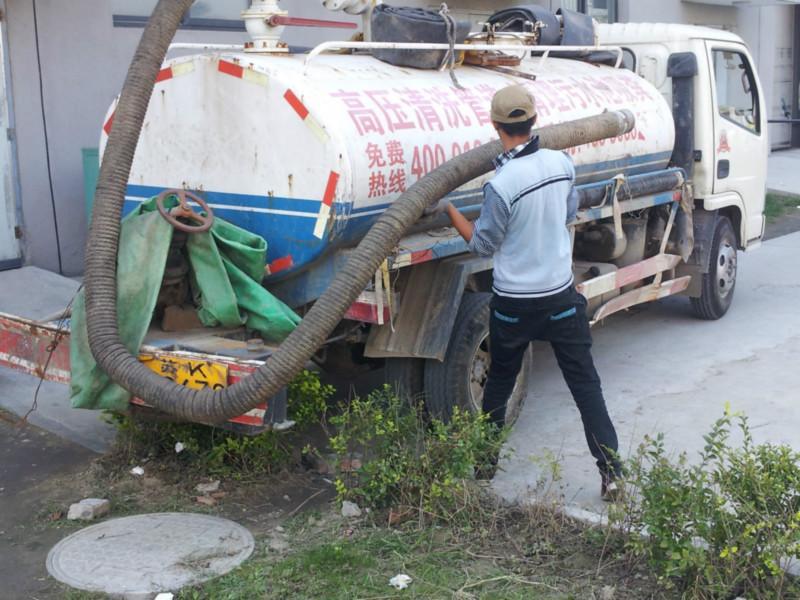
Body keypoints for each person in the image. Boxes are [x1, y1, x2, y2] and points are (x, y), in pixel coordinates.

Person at [432, 85, 623, 500]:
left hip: (514, 305)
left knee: (500, 381)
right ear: (534, 121)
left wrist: (450, 212)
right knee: (585, 386)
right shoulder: (561, 164)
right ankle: (612, 475)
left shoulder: (501, 185)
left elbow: (483, 245)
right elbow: (569, 212)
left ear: (495, 125)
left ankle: (485, 464)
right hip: (558, 298)